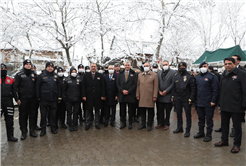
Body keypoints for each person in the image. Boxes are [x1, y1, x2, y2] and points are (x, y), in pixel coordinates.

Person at [214, 57, 246, 153]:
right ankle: (224, 140)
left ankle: (237, 144)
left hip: (237, 106)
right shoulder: (223, 74)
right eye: (226, 64)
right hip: (224, 105)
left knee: (236, 127)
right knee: (224, 125)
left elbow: (245, 91)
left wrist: (244, 104)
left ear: (234, 64)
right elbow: (221, 89)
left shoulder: (241, 74)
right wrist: (220, 102)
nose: (227, 65)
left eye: (229, 63)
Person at [193, 61, 219, 142]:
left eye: (205, 66)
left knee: (209, 119)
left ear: (208, 67)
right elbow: (195, 89)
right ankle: (201, 132)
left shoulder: (212, 76)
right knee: (200, 118)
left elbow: (215, 90)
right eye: (202, 66)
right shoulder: (197, 77)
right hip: (199, 102)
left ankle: (209, 134)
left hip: (208, 102)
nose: (204, 67)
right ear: (200, 68)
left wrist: (213, 101)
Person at [13, 59, 37, 140]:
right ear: (24, 65)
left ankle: (32, 130)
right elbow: (14, 87)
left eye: (29, 64)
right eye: (26, 64)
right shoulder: (19, 75)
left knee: (33, 115)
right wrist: (17, 99)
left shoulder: (34, 75)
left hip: (32, 99)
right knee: (23, 116)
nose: (28, 65)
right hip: (23, 99)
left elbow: (37, 87)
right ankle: (24, 131)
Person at [36, 62, 61, 136]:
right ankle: (43, 130)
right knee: (43, 116)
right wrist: (38, 97)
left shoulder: (56, 76)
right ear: (46, 67)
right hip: (44, 99)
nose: (50, 68)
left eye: (51, 67)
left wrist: (59, 97)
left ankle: (53, 128)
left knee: (53, 115)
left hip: (53, 99)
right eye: (48, 67)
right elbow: (37, 87)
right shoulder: (41, 76)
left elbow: (59, 87)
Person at [172, 62, 196, 137]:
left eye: (183, 66)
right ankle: (179, 128)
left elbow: (193, 89)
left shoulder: (190, 76)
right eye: (180, 66)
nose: (181, 67)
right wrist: (173, 96)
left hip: (186, 99)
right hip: (178, 99)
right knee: (178, 114)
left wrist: (191, 99)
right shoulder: (176, 76)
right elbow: (174, 88)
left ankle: (187, 130)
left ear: (185, 67)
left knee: (188, 115)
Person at [82, 63, 106, 130]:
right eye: (92, 66)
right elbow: (83, 86)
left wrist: (103, 95)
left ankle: (97, 123)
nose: (93, 67)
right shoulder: (85, 75)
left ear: (96, 67)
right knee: (88, 110)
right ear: (90, 67)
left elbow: (103, 86)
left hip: (97, 96)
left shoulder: (100, 76)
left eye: (94, 66)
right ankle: (87, 123)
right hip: (88, 96)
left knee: (97, 110)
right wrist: (83, 95)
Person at [136, 62, 158, 131]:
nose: (145, 67)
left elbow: (156, 86)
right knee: (142, 112)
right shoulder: (140, 75)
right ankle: (143, 124)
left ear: (150, 67)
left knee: (150, 112)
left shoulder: (154, 75)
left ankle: (149, 125)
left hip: (150, 97)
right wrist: (137, 95)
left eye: (147, 66)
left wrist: (155, 96)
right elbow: (138, 86)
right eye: (144, 66)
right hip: (142, 96)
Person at [116, 61, 137, 130]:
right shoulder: (120, 73)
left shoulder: (134, 73)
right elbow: (118, 84)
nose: (127, 66)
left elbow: (135, 84)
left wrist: (129, 91)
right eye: (126, 65)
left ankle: (130, 123)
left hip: (130, 94)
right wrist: (122, 90)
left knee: (131, 110)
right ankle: (123, 123)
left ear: (130, 66)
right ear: (124, 66)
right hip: (122, 94)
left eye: (128, 65)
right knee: (122, 110)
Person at [156, 60, 176, 131]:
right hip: (160, 95)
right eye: (163, 65)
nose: (165, 66)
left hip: (168, 95)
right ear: (161, 66)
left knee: (167, 111)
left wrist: (166, 91)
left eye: (166, 64)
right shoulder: (159, 73)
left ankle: (166, 124)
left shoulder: (173, 72)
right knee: (160, 110)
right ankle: (160, 122)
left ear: (169, 65)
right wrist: (158, 90)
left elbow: (173, 83)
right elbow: (156, 83)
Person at [0, 63, 18, 142]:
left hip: (9, 102)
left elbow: (14, 91)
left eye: (4, 69)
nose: (3, 71)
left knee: (10, 121)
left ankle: (10, 136)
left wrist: (17, 100)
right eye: (1, 69)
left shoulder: (10, 79)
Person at [31, 64, 42, 131]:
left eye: (34, 68)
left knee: (35, 113)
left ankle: (34, 125)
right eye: (32, 68)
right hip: (28, 98)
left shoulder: (37, 77)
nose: (33, 69)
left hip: (36, 98)